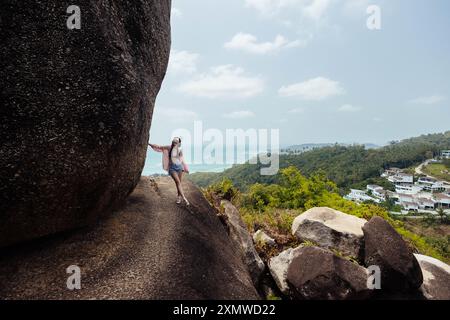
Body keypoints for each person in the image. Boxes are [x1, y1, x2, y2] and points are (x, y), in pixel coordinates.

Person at [149, 137, 190, 205]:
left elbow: (182, 160)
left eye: (176, 142)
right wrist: (150, 144)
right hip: (172, 168)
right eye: (173, 141)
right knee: (177, 182)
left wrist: (185, 168)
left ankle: (179, 197)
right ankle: (184, 198)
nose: (174, 143)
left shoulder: (180, 150)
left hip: (179, 168)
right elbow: (159, 147)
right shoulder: (168, 147)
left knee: (179, 183)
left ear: (179, 143)